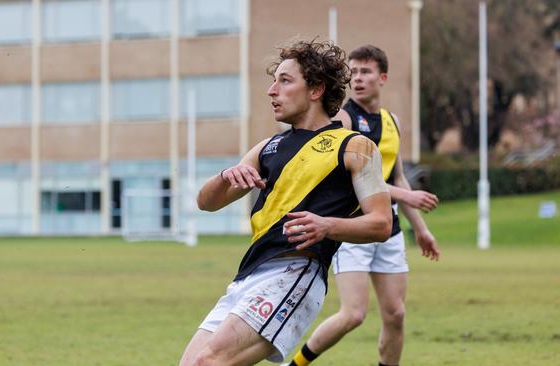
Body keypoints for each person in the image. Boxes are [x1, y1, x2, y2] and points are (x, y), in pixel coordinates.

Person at [179, 39, 393, 366]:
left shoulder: (354, 147)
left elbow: (381, 223)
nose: (271, 91)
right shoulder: (268, 146)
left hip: (295, 269)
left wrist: (327, 226)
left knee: (207, 363)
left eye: (284, 80)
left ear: (316, 89)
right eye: (273, 80)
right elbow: (205, 203)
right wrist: (226, 176)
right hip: (248, 275)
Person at [286, 45, 440, 366]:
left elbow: (398, 178)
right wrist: (407, 196)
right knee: (353, 314)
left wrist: (421, 229)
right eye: (353, 72)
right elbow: (357, 181)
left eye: (365, 72)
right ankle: (297, 363)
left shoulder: (392, 121)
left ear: (382, 77)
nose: (357, 79)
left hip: (390, 228)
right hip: (353, 226)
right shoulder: (343, 118)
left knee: (395, 313)